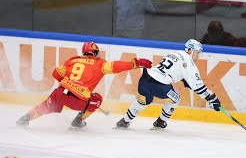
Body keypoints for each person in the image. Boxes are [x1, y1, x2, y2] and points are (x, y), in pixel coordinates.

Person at [16, 41, 152, 128]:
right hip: (78, 100)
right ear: (94, 52)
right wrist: (136, 63)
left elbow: (56, 73)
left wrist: (68, 84)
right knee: (96, 99)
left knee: (46, 106)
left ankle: (25, 118)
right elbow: (118, 66)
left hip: (60, 93)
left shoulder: (72, 60)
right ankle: (78, 120)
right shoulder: (100, 64)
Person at [116, 39, 221, 129]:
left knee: (143, 101)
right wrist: (211, 98)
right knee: (176, 98)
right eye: (197, 52)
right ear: (190, 50)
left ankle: (124, 121)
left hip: (144, 80)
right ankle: (161, 121)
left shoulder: (175, 53)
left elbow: (171, 70)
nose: (198, 56)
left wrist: (184, 80)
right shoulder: (188, 62)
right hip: (159, 86)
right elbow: (198, 86)